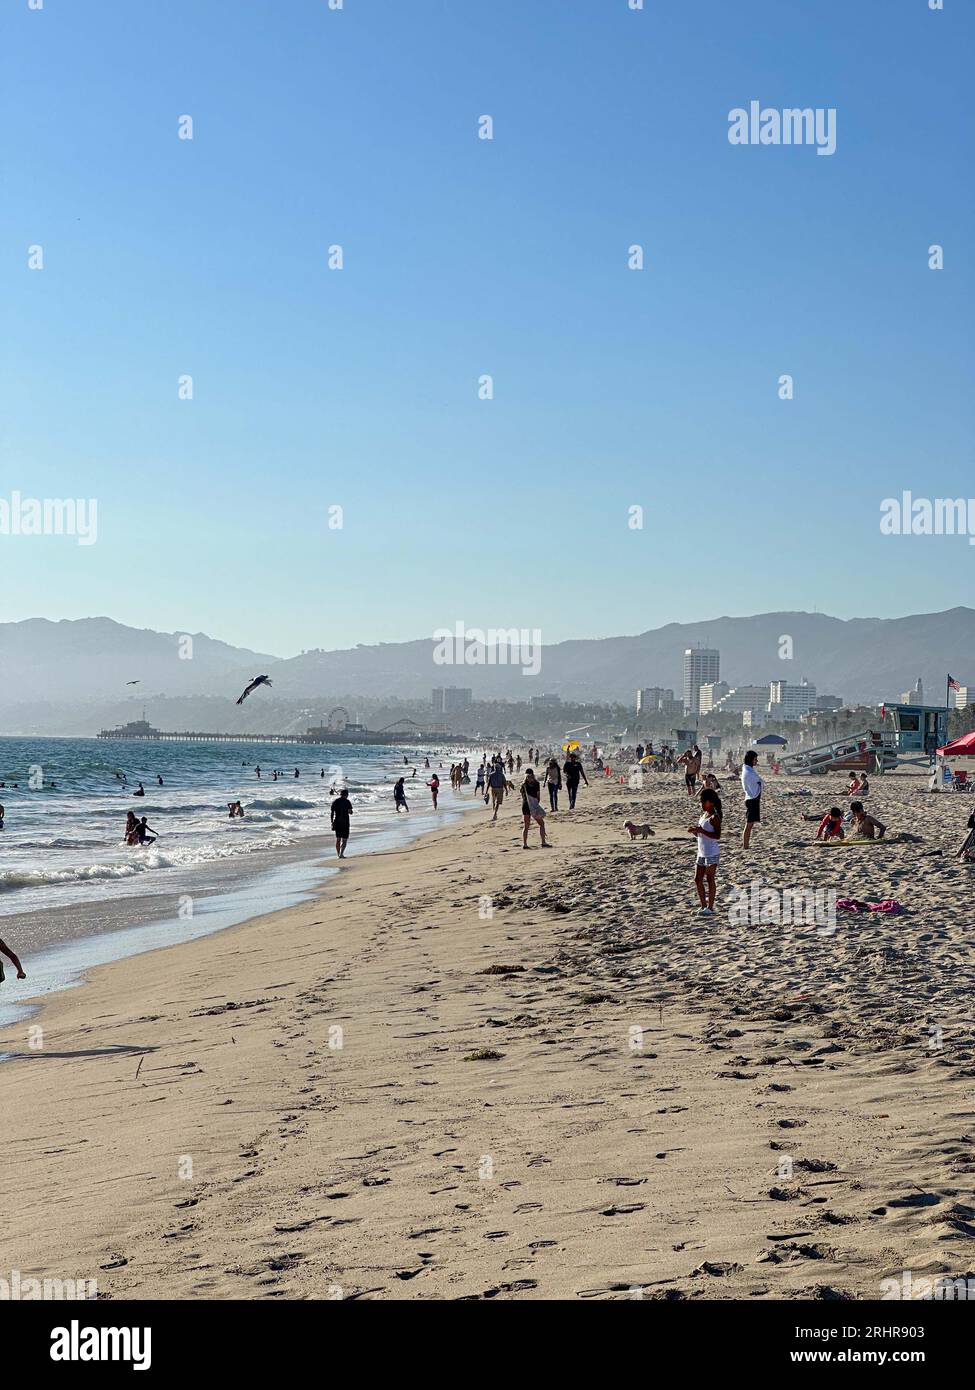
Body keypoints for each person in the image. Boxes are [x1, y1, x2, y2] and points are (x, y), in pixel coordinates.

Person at [689, 789, 721, 914]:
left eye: (703, 802)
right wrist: (696, 833)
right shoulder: (703, 816)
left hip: (712, 852)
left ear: (711, 803)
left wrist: (701, 831)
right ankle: (703, 906)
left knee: (709, 878)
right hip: (701, 852)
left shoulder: (715, 817)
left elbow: (717, 835)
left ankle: (710, 907)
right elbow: (702, 835)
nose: (701, 804)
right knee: (697, 879)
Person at [520, 768, 549, 848]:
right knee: (541, 824)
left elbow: (523, 796)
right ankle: (543, 842)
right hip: (533, 806)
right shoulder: (536, 783)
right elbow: (538, 797)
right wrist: (536, 806)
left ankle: (525, 844)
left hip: (525, 806)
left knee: (526, 826)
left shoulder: (523, 784)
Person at [741, 750, 764, 849]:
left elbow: (759, 781)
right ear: (751, 759)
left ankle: (746, 845)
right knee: (749, 824)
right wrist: (760, 783)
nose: (757, 761)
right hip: (751, 799)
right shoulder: (748, 771)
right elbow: (758, 781)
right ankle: (745, 846)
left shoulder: (748, 769)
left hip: (752, 798)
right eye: (755, 759)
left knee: (751, 824)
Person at [330, 788, 353, 857]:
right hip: (345, 822)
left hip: (337, 822)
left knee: (338, 839)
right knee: (344, 839)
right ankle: (341, 854)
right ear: (346, 795)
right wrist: (350, 811)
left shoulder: (335, 801)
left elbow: (332, 813)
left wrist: (332, 822)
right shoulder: (347, 801)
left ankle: (338, 854)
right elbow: (350, 812)